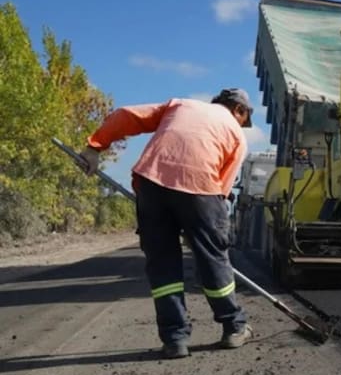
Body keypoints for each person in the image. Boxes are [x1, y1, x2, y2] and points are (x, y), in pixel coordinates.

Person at [78, 88, 255, 359]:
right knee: (213, 259)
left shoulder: (180, 106)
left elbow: (127, 115)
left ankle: (175, 339)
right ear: (239, 111)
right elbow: (221, 190)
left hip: (152, 182)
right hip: (201, 188)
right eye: (245, 119)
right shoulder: (236, 134)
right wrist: (201, 228)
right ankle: (234, 327)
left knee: (163, 265)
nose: (243, 124)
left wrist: (95, 146)